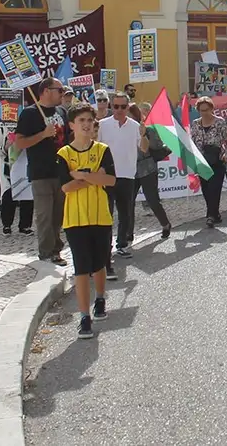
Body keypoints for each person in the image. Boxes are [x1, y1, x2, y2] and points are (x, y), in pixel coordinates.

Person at [56, 103, 116, 340]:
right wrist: (94, 177)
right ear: (72, 125)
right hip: (75, 218)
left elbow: (111, 180)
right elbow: (66, 187)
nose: (86, 124)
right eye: (81, 120)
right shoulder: (63, 154)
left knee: (99, 263)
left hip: (100, 215)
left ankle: (100, 298)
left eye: (90, 120)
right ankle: (84, 317)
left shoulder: (102, 149)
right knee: (81, 268)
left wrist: (81, 175)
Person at [15, 77, 69, 266]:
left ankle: (56, 249)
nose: (62, 94)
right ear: (46, 91)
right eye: (59, 90)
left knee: (58, 215)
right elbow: (19, 142)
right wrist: (43, 135)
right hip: (41, 172)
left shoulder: (62, 111)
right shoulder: (29, 114)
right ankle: (46, 253)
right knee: (45, 215)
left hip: (61, 171)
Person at [98, 91, 141, 259]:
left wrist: (144, 134)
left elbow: (143, 147)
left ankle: (122, 244)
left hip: (127, 174)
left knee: (125, 213)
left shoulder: (135, 126)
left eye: (123, 106)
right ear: (111, 106)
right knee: (106, 213)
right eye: (116, 106)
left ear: (128, 106)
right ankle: (105, 246)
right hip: (107, 175)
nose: (119, 110)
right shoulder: (102, 124)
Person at [190, 96, 227, 227]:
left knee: (215, 189)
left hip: (217, 160)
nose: (204, 113)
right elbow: (192, 140)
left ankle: (210, 216)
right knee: (206, 190)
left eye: (206, 110)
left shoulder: (219, 122)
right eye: (201, 110)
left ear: (212, 109)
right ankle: (215, 214)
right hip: (202, 160)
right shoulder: (196, 123)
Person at [134, 101, 173, 238]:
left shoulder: (149, 128)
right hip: (130, 168)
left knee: (152, 200)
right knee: (128, 201)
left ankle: (165, 224)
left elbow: (157, 145)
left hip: (147, 167)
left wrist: (146, 133)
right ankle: (127, 234)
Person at [0, 123, 33, 236]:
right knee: (8, 196)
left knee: (27, 196)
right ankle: (7, 225)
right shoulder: (3, 130)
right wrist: (5, 147)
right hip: (8, 167)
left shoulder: (28, 127)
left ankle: (25, 225)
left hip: (25, 165)